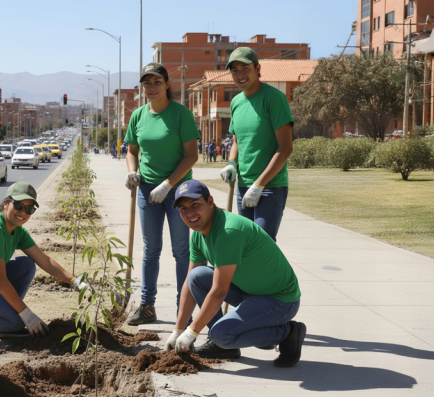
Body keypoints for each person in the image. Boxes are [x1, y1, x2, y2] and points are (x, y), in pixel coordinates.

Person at [167, 180, 305, 367]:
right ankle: (223, 345)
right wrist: (178, 329)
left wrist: (192, 332)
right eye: (183, 208)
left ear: (210, 202)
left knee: (223, 334)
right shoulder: (199, 234)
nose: (189, 213)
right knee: (196, 277)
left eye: (195, 205)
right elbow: (189, 286)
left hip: (280, 300)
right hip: (250, 292)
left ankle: (287, 332)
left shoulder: (228, 231)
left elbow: (219, 291)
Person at [0, 182, 94, 338]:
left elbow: (44, 260)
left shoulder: (17, 231)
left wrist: (74, 281)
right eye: (18, 205)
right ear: (5, 203)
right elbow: (0, 281)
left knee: (27, 265)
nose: (23, 212)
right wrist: (26, 314)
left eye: (29, 209)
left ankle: (3, 320)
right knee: (16, 321)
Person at [124, 62, 199, 325]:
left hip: (180, 193)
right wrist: (132, 171)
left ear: (168, 84)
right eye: (147, 83)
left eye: (157, 82)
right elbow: (131, 151)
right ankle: (147, 306)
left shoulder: (181, 115)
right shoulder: (138, 116)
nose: (152, 87)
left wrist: (168, 184)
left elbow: (192, 156)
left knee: (181, 251)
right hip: (146, 191)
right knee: (150, 250)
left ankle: (184, 307)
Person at [220, 47, 293, 241]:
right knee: (245, 246)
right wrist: (231, 163)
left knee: (262, 246)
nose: (240, 74)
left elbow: (285, 148)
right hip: (243, 185)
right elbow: (236, 140)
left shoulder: (274, 98)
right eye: (234, 70)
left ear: (257, 68)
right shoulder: (236, 102)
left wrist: (259, 185)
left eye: (245, 68)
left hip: (270, 187)